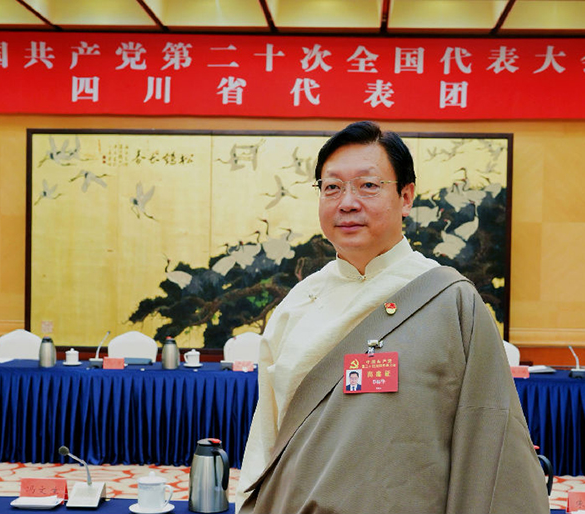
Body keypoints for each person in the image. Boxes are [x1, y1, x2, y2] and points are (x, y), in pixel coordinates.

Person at [235, 121, 549, 514]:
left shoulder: (451, 301)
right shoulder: (297, 304)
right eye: (332, 187)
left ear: (405, 197)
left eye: (368, 185)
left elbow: (490, 437)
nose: (347, 202)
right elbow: (267, 437)